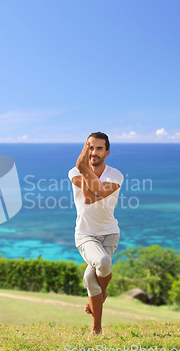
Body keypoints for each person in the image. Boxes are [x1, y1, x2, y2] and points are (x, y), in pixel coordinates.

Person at [68, 132, 124, 335]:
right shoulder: (74, 171)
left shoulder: (115, 175)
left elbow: (96, 194)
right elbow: (88, 198)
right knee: (102, 263)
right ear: (85, 149)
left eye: (99, 148)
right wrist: (82, 167)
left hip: (110, 234)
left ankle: (96, 328)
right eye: (90, 147)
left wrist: (84, 168)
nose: (94, 152)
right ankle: (104, 294)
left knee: (91, 278)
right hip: (85, 235)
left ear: (107, 152)